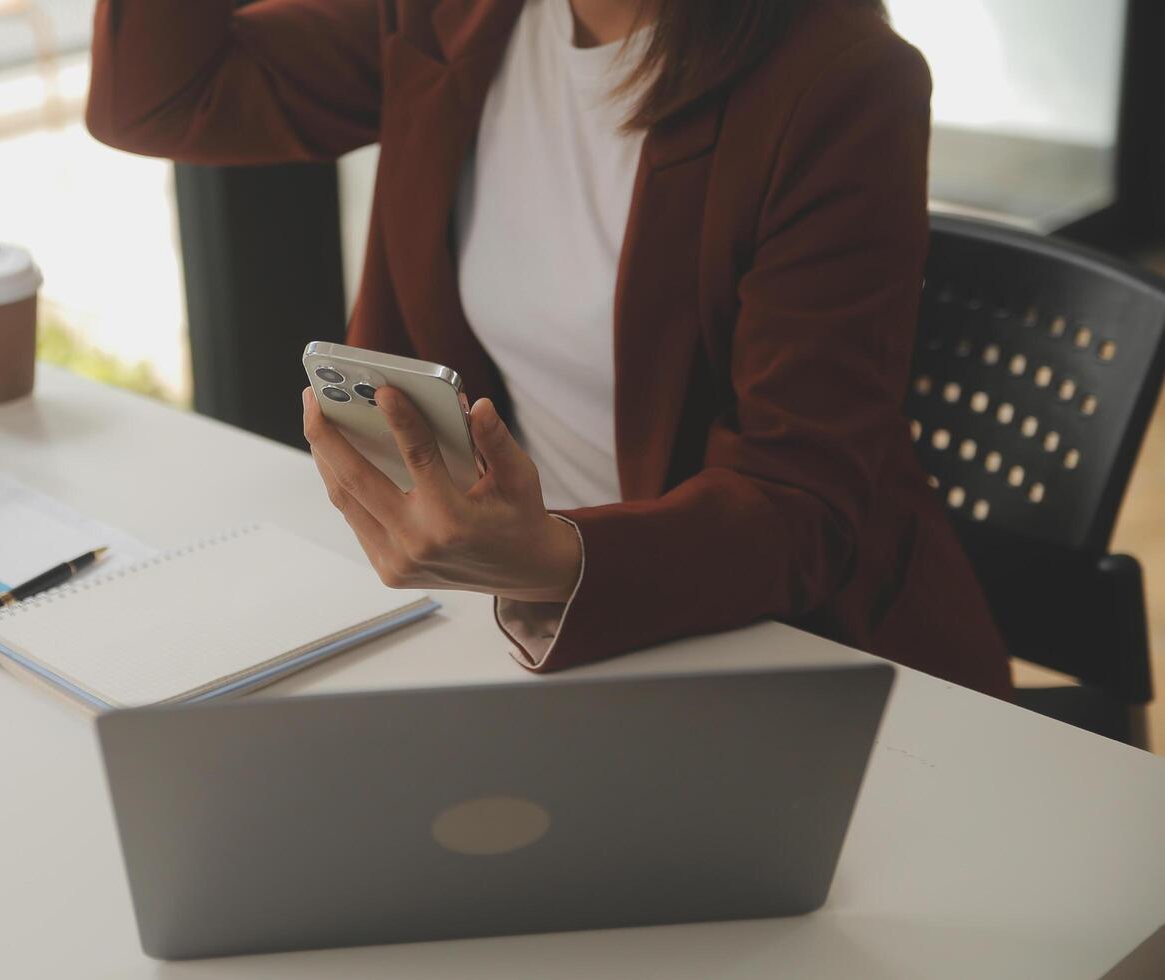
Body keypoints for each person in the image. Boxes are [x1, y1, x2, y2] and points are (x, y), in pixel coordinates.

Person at [86, 0, 1014, 698]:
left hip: (785, 647)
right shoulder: (463, 14)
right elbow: (164, 97)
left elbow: (803, 505)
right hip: (511, 622)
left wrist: (552, 560)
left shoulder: (836, 76)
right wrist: (520, 567)